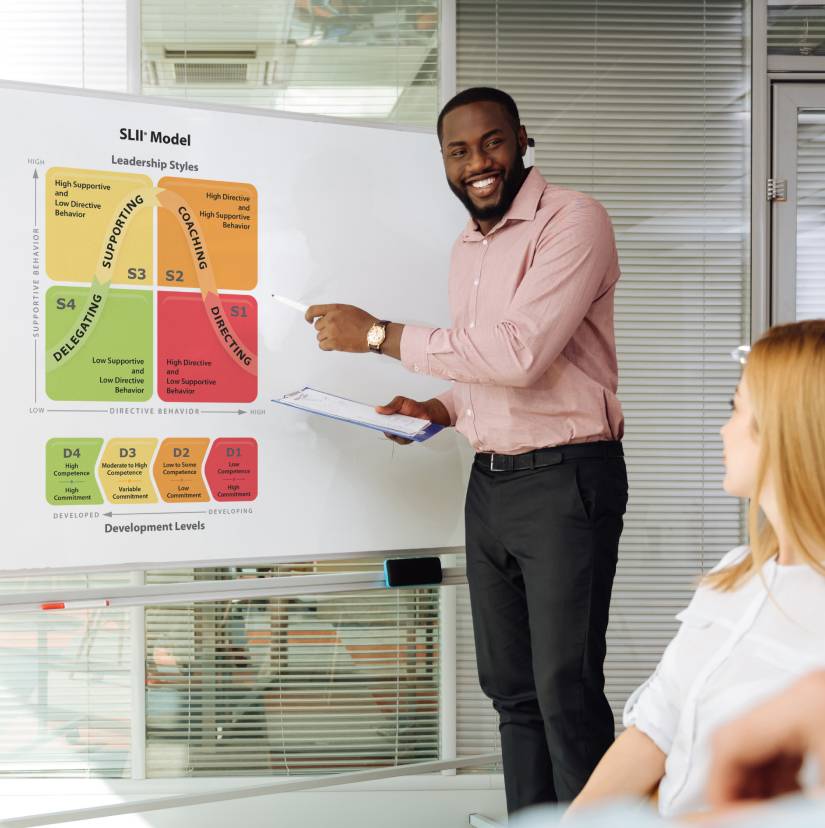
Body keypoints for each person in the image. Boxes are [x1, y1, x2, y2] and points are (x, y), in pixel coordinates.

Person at [303, 86, 627, 812]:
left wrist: (380, 335)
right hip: (491, 484)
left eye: (491, 143)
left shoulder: (573, 220)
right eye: (458, 151)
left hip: (566, 480)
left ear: (521, 142)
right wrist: (438, 409)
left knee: (564, 692)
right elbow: (486, 372)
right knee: (511, 693)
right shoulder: (467, 249)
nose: (477, 162)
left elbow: (519, 354)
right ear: (444, 164)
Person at [567, 319, 825, 820]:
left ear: (785, 431)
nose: (723, 429)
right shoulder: (734, 574)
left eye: (736, 409)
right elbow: (655, 731)